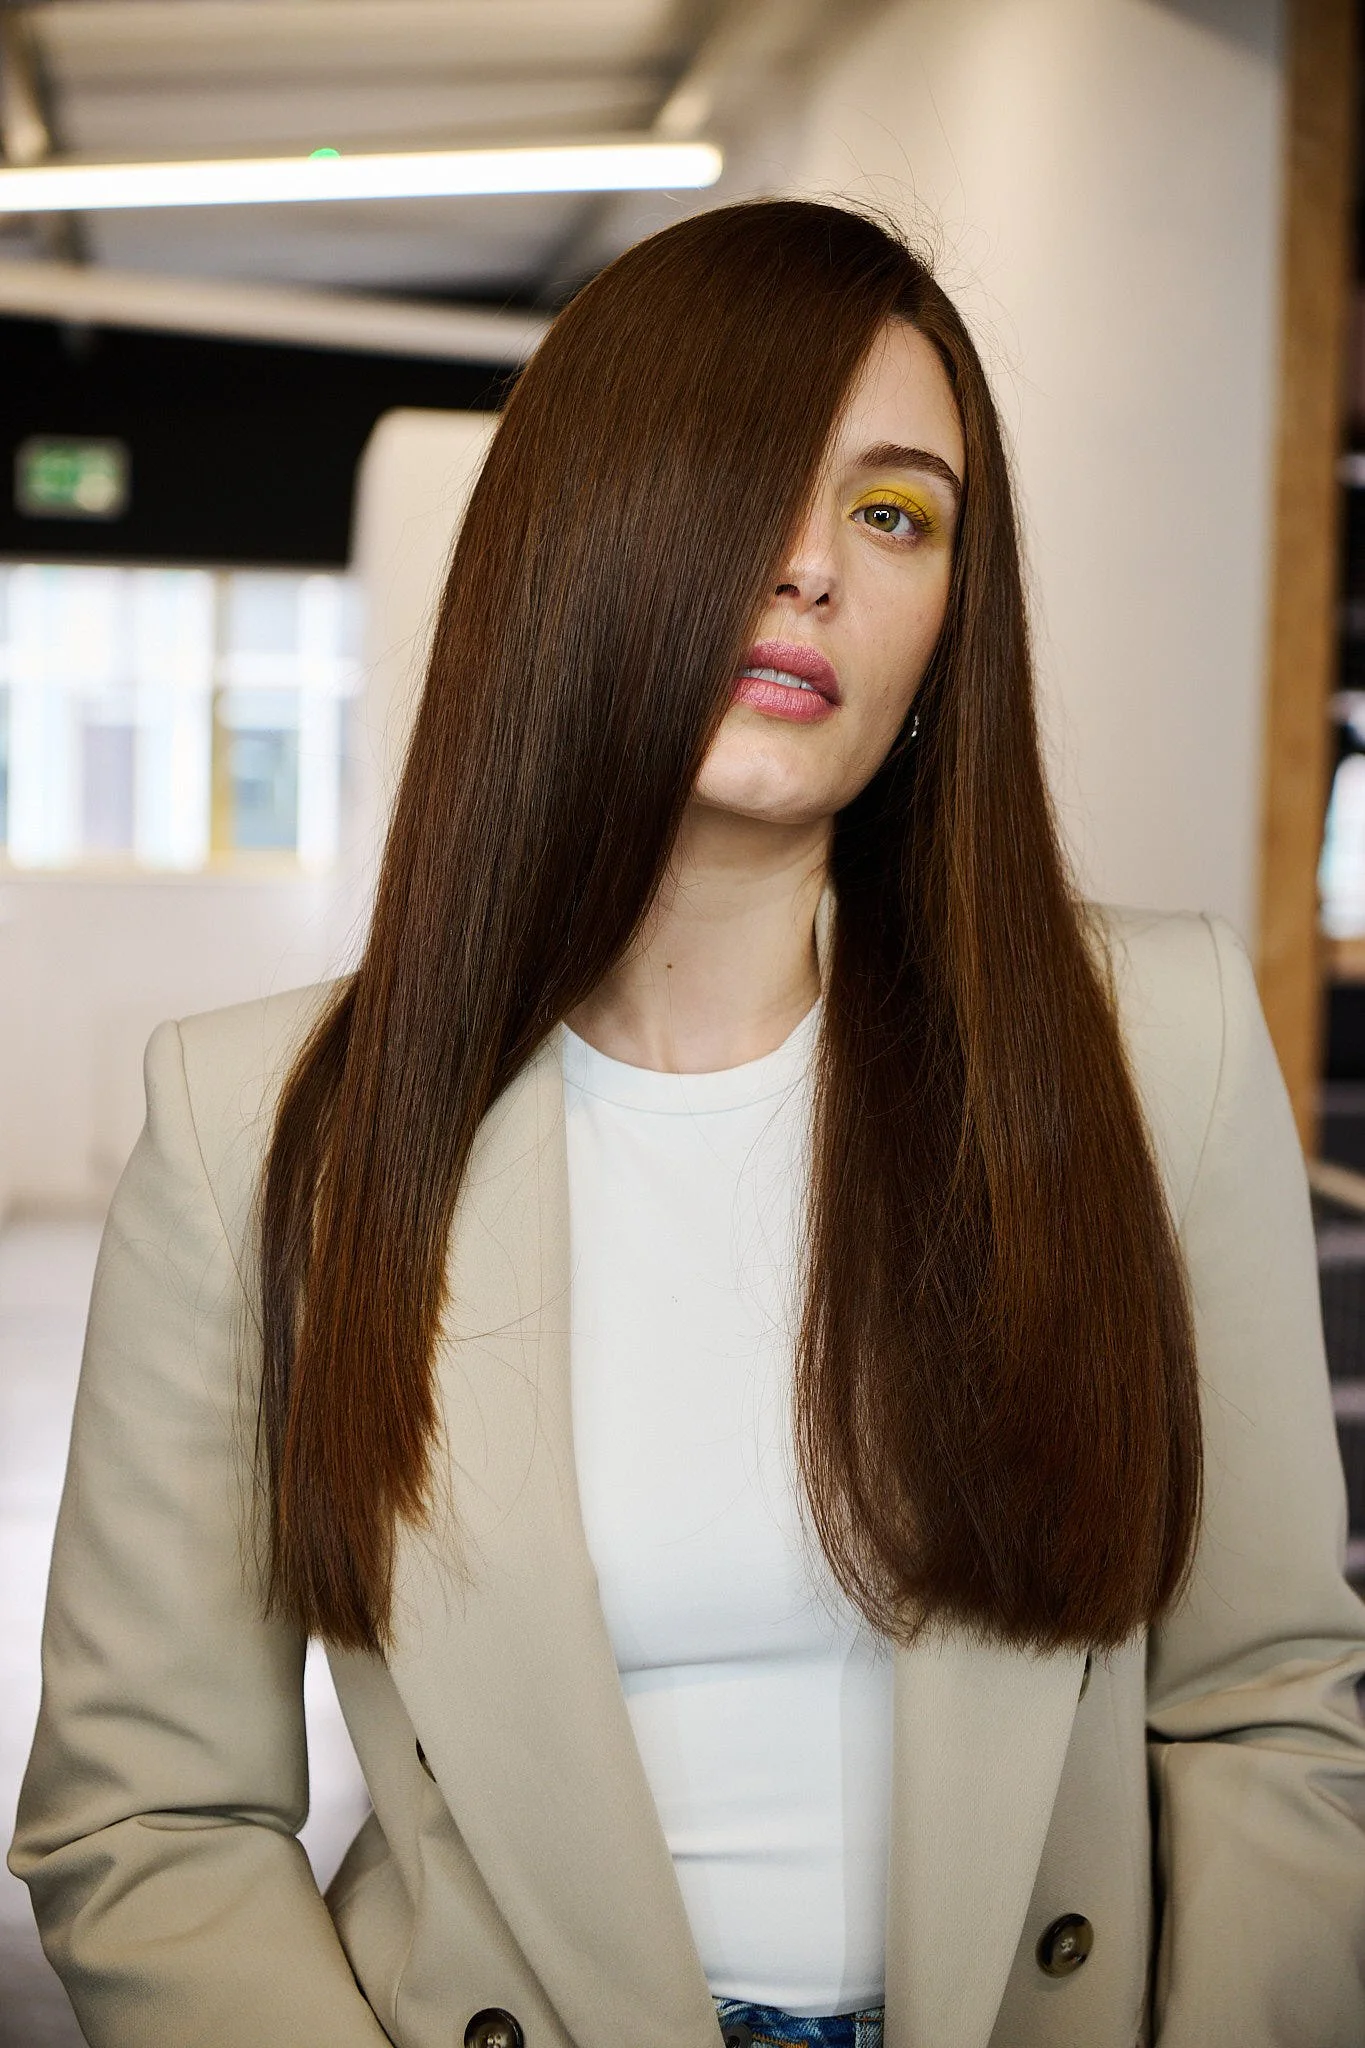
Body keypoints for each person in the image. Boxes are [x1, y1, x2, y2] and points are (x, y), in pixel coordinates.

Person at [10, 199, 1365, 2048]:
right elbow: (152, 1812)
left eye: (896, 515)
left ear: (951, 618)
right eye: (748, 483)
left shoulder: (1160, 1049)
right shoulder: (260, 1126)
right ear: (579, 537)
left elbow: (1266, 1705)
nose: (814, 569)